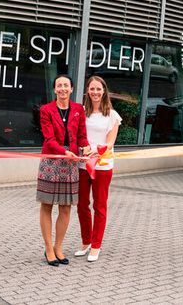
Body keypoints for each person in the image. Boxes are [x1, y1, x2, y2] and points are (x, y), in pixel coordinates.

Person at [37, 74, 90, 266]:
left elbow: (82, 136)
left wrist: (86, 147)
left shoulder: (78, 110)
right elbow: (49, 139)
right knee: (47, 205)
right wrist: (65, 151)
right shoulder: (46, 110)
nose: (62, 89)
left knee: (66, 207)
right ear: (54, 90)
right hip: (51, 161)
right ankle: (49, 248)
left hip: (70, 164)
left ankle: (59, 247)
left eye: (66, 85)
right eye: (59, 86)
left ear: (72, 88)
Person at [76, 76, 121, 262]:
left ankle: (96, 245)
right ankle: (86, 241)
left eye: (98, 89)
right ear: (87, 91)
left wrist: (95, 151)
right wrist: (83, 150)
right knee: (81, 205)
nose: (95, 92)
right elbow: (77, 135)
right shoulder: (81, 112)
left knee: (99, 205)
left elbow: (110, 143)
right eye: (92, 89)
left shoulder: (112, 115)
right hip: (82, 164)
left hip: (102, 165)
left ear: (104, 91)